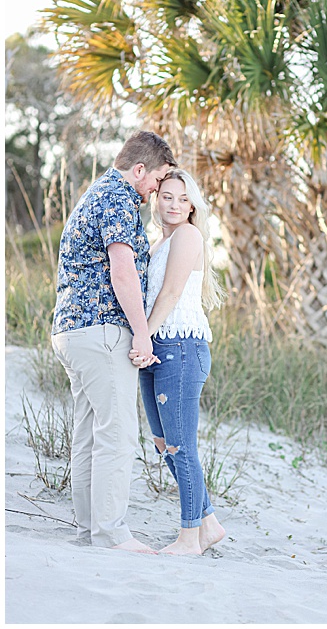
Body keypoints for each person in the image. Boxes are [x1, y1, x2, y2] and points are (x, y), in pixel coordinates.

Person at [51, 131, 176, 553]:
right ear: (139, 170)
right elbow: (122, 271)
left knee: (88, 432)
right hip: (102, 328)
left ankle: (90, 528)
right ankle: (110, 534)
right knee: (118, 434)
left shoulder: (97, 193)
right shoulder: (119, 197)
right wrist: (142, 331)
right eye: (157, 181)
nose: (155, 191)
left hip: (72, 330)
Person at [131, 169, 226, 555]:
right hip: (157, 350)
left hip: (180, 349)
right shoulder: (159, 243)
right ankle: (209, 522)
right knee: (161, 441)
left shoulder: (189, 236)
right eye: (166, 196)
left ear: (193, 206)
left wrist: (143, 336)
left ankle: (190, 537)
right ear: (157, 199)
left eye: (182, 199)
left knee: (181, 446)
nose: (173, 204)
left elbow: (170, 294)